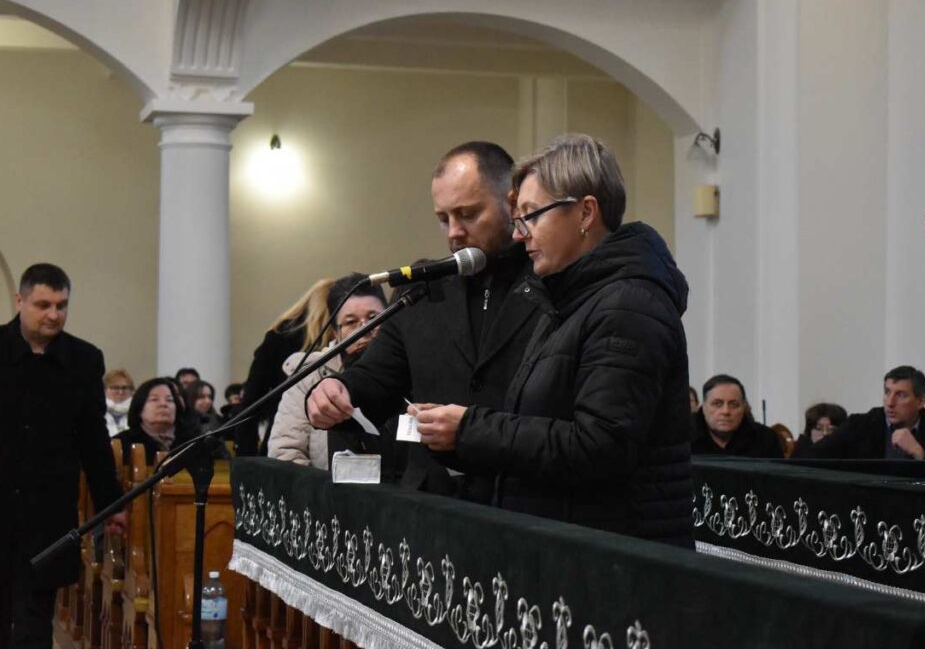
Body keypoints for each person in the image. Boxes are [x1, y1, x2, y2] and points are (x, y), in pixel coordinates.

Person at [318, 135, 693, 544]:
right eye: (443, 218)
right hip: (539, 526)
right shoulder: (567, 295)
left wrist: (468, 430)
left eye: (530, 215)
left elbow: (598, 445)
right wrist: (339, 389)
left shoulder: (621, 301)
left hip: (609, 544)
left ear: (585, 212)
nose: (520, 233)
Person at [308, 141, 542, 498]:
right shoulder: (424, 288)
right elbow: (377, 377)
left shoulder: (545, 281)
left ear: (511, 203)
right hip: (433, 497)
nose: (453, 232)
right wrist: (339, 390)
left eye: (468, 214)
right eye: (443, 219)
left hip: (520, 493)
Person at [0, 263, 126, 649]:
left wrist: (111, 504)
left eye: (61, 305)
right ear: (19, 301)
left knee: (35, 617)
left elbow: (94, 439)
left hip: (48, 512)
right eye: (43, 305)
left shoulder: (84, 359)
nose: (54, 314)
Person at [269, 274, 388, 469]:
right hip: (325, 486)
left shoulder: (413, 368)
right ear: (335, 333)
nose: (365, 329)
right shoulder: (309, 376)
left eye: (374, 318)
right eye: (351, 322)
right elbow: (285, 452)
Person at [237, 279, 335, 456]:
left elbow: (251, 401)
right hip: (323, 438)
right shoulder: (333, 341)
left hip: (279, 435)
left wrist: (246, 455)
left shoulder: (278, 335)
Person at [794, 366, 925, 460]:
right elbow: (811, 456)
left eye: (901, 395)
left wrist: (920, 454)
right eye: (887, 392)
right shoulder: (860, 425)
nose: (890, 402)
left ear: (920, 401)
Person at [691, 374, 785, 459]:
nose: (725, 411)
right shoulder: (685, 436)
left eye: (734, 405)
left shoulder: (765, 439)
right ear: (704, 406)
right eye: (717, 404)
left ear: (744, 407)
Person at [114, 377, 188, 466]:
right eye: (154, 399)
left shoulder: (192, 442)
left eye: (169, 400)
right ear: (139, 408)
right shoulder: (121, 443)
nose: (163, 404)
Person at [104, 367, 135, 437]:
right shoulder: (98, 412)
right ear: (105, 390)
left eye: (124, 388)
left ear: (132, 391)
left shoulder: (139, 413)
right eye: (115, 388)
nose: (120, 392)